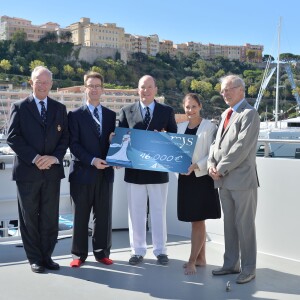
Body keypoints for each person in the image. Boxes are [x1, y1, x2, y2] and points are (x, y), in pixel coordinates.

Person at [7, 66, 69, 273]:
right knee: (29, 217)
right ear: (31, 82)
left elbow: (65, 138)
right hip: (27, 171)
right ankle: (34, 258)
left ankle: (47, 256)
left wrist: (54, 157)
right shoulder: (19, 107)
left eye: (46, 82)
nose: (42, 85)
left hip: (51, 171)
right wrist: (35, 158)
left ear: (51, 84)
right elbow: (13, 137)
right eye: (38, 81)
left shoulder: (60, 109)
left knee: (50, 216)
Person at [118, 75, 177, 265]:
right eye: (143, 87)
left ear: (156, 89)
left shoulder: (167, 111)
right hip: (134, 172)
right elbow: (121, 140)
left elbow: (174, 139)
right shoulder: (126, 111)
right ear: (138, 89)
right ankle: (137, 251)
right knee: (136, 213)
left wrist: (164, 137)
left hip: (158, 171)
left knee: (159, 212)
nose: (146, 90)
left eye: (149, 87)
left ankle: (161, 251)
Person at [207, 74, 260, 284]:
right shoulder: (225, 113)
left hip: (242, 181)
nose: (224, 93)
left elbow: (241, 147)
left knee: (245, 225)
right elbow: (215, 144)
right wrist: (211, 163)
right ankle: (231, 264)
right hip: (223, 180)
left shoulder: (250, 114)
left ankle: (249, 268)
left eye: (228, 89)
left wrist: (220, 167)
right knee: (229, 224)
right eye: (222, 90)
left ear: (241, 90)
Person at [68, 71, 116, 268]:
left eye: (97, 86)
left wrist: (116, 153)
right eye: (90, 85)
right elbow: (74, 145)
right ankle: (79, 255)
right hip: (82, 173)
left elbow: (117, 143)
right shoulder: (75, 115)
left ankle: (102, 252)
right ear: (84, 88)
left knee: (103, 215)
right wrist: (92, 160)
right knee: (80, 216)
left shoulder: (112, 116)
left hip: (105, 174)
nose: (94, 89)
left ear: (102, 89)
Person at [177, 93, 221, 275]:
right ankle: (202, 258)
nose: (190, 110)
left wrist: (196, 166)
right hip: (185, 178)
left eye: (194, 106)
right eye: (187, 107)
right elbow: (174, 150)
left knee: (198, 220)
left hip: (201, 177)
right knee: (195, 219)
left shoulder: (209, 127)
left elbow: (212, 153)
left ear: (200, 106)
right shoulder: (179, 127)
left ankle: (192, 261)